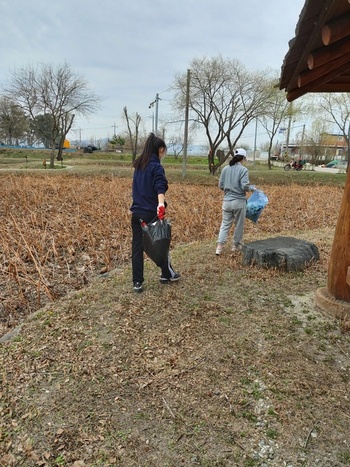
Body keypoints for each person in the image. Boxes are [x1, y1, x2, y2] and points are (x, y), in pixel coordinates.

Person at [130, 133, 180, 292]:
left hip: (136, 213)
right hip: (150, 212)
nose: (163, 154)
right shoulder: (156, 166)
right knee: (160, 243)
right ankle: (167, 273)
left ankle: (137, 282)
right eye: (163, 151)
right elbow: (160, 186)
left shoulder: (139, 165)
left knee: (137, 247)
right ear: (160, 149)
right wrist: (160, 205)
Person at [215, 148, 256, 255]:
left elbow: (220, 185)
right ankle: (235, 245)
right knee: (239, 224)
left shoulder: (225, 169)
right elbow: (244, 186)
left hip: (227, 201)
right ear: (243, 158)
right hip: (239, 202)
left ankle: (219, 247)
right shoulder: (244, 170)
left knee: (225, 224)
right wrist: (253, 188)